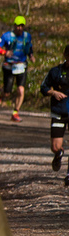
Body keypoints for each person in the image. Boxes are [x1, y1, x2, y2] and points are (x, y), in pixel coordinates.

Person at [0, 15, 34, 122]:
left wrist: (31, 55)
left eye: (21, 26)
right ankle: (1, 93)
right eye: (17, 26)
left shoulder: (27, 36)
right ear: (14, 26)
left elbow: (29, 47)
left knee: (21, 89)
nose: (19, 28)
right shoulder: (7, 36)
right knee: (7, 92)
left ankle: (15, 112)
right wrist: (4, 52)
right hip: (9, 66)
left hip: (22, 66)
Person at [40, 44, 69, 185]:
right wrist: (53, 92)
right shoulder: (55, 72)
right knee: (55, 147)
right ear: (65, 56)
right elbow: (43, 87)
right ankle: (58, 155)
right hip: (59, 112)